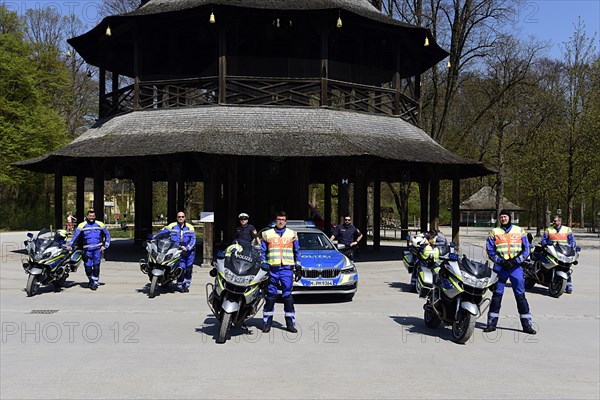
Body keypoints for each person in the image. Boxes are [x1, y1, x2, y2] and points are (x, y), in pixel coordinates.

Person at [484, 209, 536, 334]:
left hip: (515, 267)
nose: (503, 219)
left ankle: (527, 325)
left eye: (505, 217)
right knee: (496, 296)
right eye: (501, 217)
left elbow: (526, 249)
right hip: (500, 268)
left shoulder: (519, 231)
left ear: (509, 218)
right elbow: (490, 250)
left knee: (520, 296)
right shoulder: (494, 232)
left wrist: (516, 261)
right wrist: (500, 261)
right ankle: (491, 323)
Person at [260, 211, 302, 333]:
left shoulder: (292, 234)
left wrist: (298, 267)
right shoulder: (267, 234)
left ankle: (290, 324)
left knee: (287, 297)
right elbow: (262, 252)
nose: (281, 221)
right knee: (271, 297)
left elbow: (297, 251)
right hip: (272, 269)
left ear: (286, 221)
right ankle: (267, 323)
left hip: (286, 269)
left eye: (283, 219)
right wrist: (263, 263)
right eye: (279, 219)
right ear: (275, 220)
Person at [67, 210, 110, 290]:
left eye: (93, 216)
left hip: (97, 250)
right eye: (90, 216)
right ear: (87, 216)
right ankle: (91, 280)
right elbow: (75, 236)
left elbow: (107, 235)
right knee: (88, 268)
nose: (91, 218)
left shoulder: (100, 224)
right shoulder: (82, 225)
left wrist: (105, 245)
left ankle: (95, 282)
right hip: (86, 250)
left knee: (96, 266)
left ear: (95, 216)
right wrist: (70, 245)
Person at [156, 212, 196, 292]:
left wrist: (187, 247)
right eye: (179, 217)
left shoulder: (190, 227)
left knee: (188, 268)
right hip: (177, 251)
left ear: (185, 218)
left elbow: (193, 239)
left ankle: (186, 284)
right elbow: (162, 232)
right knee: (181, 268)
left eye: (182, 216)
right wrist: (154, 238)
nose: (181, 218)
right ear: (177, 218)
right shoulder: (172, 225)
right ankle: (180, 285)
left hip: (189, 252)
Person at [541, 215, 576, 294]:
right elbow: (544, 239)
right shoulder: (549, 229)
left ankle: (568, 284)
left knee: (566, 267)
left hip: (563, 251)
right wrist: (544, 244)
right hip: (552, 250)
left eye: (555, 221)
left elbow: (572, 240)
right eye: (553, 220)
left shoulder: (567, 229)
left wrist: (572, 247)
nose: (553, 222)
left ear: (560, 222)